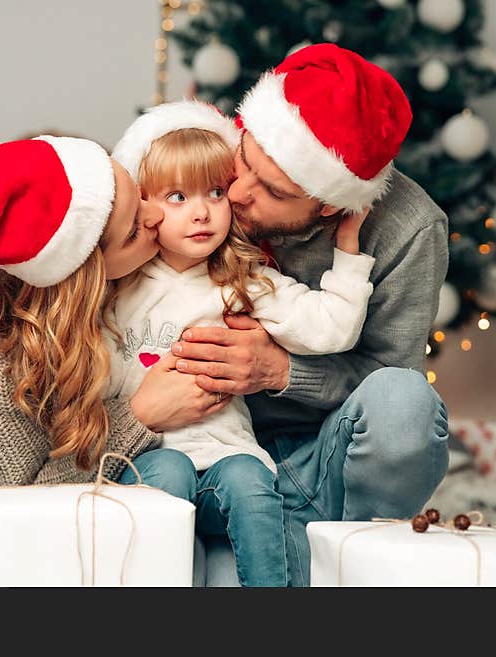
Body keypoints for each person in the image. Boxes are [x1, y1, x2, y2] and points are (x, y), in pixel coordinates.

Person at [152, 44, 450, 586]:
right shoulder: (203, 158)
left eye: (274, 191)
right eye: (245, 160)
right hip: (193, 455)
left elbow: (387, 379)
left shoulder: (410, 230)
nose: (236, 194)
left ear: (331, 204)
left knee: (405, 404)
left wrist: (281, 372)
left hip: (319, 464)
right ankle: (250, 541)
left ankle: (339, 546)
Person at [0, 135, 225, 582]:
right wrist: (141, 413)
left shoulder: (106, 275)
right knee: (46, 569)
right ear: (83, 272)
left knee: (178, 519)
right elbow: (28, 497)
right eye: (136, 229)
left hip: (93, 473)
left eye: (140, 197)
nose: (157, 215)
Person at [104, 100, 374, 586]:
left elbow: (331, 326)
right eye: (177, 197)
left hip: (224, 463)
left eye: (215, 191)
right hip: (144, 460)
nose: (203, 212)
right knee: (165, 470)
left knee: (250, 478)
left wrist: (349, 249)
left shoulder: (242, 281)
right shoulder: (118, 288)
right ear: (143, 207)